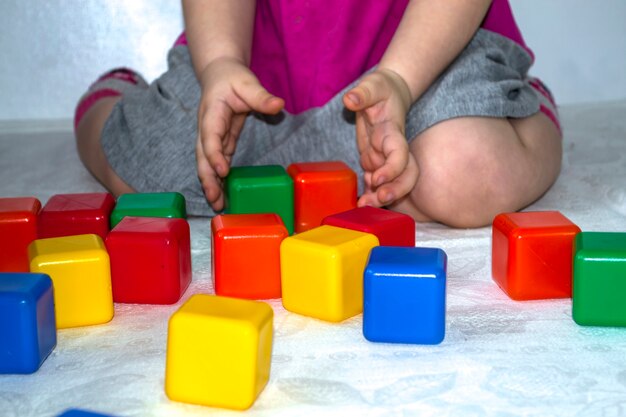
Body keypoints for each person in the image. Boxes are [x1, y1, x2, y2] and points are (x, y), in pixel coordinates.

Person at [74, 0, 562, 228]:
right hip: (261, 65)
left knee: (463, 174)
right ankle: (111, 97)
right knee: (148, 169)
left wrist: (399, 78)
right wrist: (221, 61)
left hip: (425, 55)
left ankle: (522, 109)